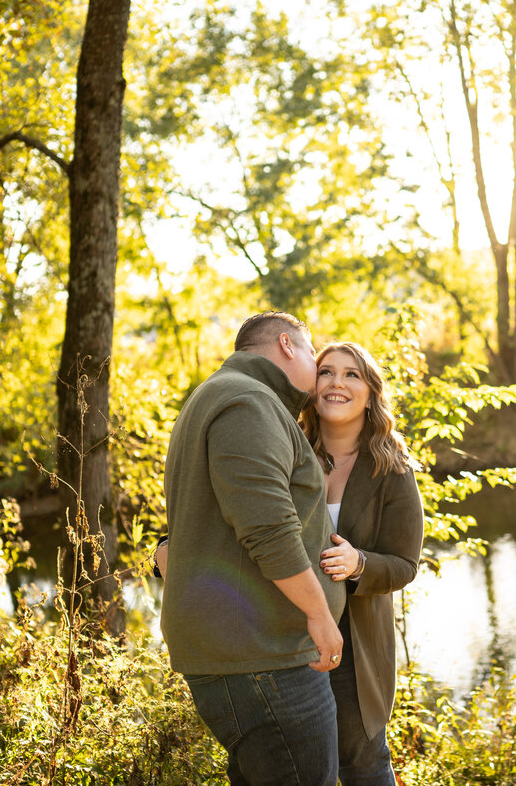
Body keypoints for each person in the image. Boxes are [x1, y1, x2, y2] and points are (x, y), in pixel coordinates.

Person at [160, 311, 346, 786]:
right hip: (268, 662)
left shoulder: (217, 397)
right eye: (311, 350)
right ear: (286, 345)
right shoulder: (248, 402)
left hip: (251, 658)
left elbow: (192, 529)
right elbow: (267, 529)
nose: (316, 362)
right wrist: (320, 614)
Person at [301, 341, 425, 786]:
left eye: (352, 374)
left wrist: (358, 564)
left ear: (370, 392)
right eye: (326, 372)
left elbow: (405, 564)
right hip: (285, 636)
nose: (337, 382)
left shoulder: (391, 467)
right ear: (311, 386)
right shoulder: (287, 451)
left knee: (364, 766)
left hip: (355, 642)